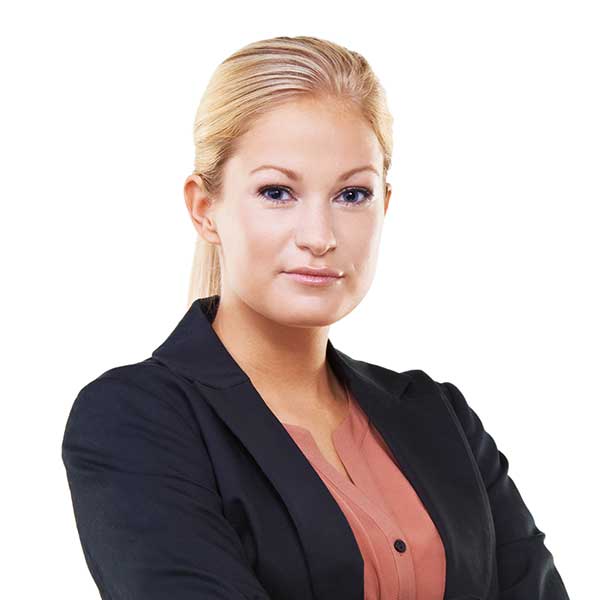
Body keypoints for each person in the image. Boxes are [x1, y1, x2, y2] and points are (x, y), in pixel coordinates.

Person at [61, 35, 570, 600]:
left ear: (385, 206)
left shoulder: (441, 417)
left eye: (352, 195)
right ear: (205, 209)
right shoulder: (135, 419)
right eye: (277, 192)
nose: (320, 237)